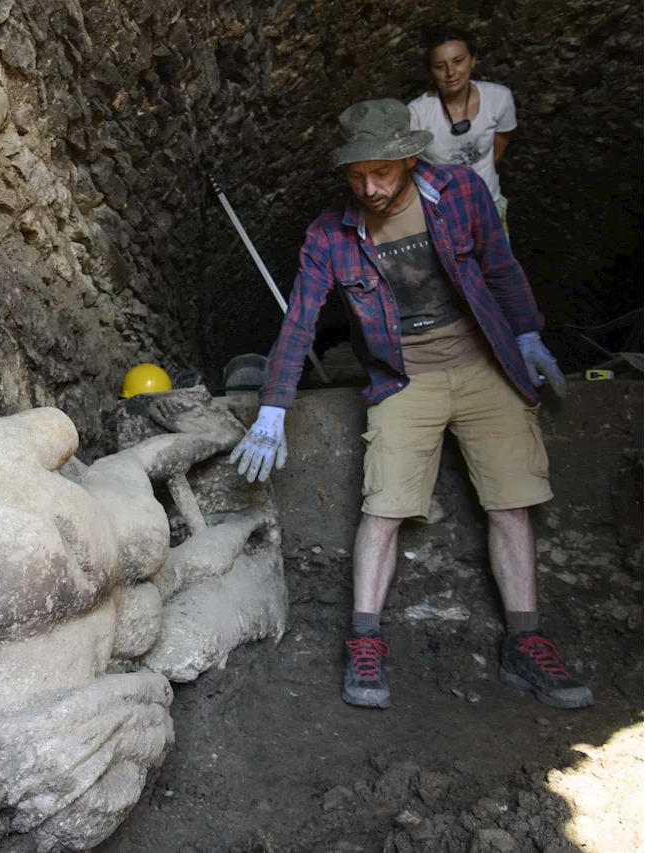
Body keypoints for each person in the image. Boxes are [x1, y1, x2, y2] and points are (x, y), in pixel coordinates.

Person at [229, 99, 592, 711]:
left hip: (484, 366)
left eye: (382, 172)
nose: (368, 188)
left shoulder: (459, 192)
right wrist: (273, 408)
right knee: (384, 507)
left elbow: (501, 266)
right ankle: (365, 643)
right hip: (404, 379)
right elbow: (299, 322)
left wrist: (526, 331)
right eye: (355, 175)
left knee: (512, 504)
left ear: (407, 157)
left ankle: (524, 645)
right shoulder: (329, 234)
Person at [408, 27, 516, 232]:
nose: (451, 72)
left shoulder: (499, 99)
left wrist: (473, 180)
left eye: (458, 61)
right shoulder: (417, 113)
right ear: (431, 70)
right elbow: (409, 167)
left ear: (472, 60)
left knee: (498, 262)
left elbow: (499, 145)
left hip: (488, 202)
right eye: (440, 66)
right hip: (442, 210)